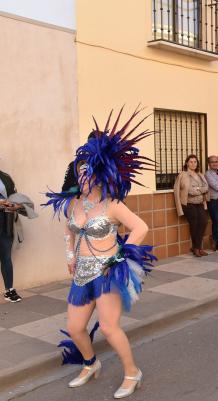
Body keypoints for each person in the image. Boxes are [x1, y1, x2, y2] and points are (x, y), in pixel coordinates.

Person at [44, 108, 155, 398]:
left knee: (108, 326)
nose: (82, 177)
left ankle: (133, 372)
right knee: (75, 327)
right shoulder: (73, 204)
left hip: (106, 273)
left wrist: (119, 259)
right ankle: (91, 364)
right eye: (79, 172)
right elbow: (69, 231)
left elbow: (140, 228)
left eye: (87, 172)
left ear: (99, 174)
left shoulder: (113, 204)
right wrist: (70, 258)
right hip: (81, 273)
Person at [0, 169, 37, 302]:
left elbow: (13, 196)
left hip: (5, 220)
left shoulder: (5, 177)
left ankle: (9, 290)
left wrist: (16, 205)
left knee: (6, 256)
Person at [174, 155, 210, 257]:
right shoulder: (183, 175)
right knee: (194, 224)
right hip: (188, 204)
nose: (193, 164)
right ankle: (197, 248)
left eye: (195, 162)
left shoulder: (200, 175)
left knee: (203, 222)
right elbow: (190, 191)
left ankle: (197, 247)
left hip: (200, 203)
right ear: (187, 163)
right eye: (191, 162)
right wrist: (199, 189)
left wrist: (198, 189)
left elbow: (206, 187)